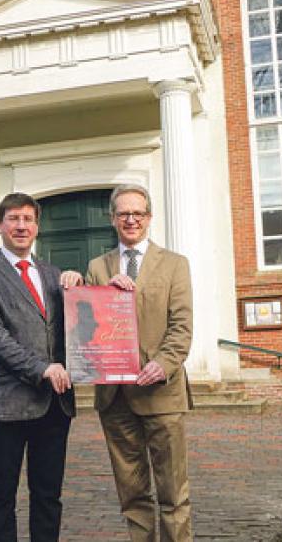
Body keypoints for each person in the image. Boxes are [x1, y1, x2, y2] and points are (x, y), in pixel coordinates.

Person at [62, 184, 193, 541]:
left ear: (149, 217)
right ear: (112, 218)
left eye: (137, 212)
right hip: (115, 398)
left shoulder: (175, 264)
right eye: (123, 213)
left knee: (172, 492)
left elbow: (182, 328)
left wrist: (164, 364)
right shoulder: (97, 266)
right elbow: (86, 326)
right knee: (132, 494)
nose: (130, 219)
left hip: (160, 394)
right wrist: (73, 287)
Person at [0, 192, 76, 542]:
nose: (21, 226)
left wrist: (82, 289)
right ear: (0, 226)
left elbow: (76, 329)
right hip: (8, 404)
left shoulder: (54, 274)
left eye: (28, 219)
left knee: (48, 496)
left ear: (37, 227)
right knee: (1, 496)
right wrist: (42, 368)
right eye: (13, 219)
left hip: (55, 403)